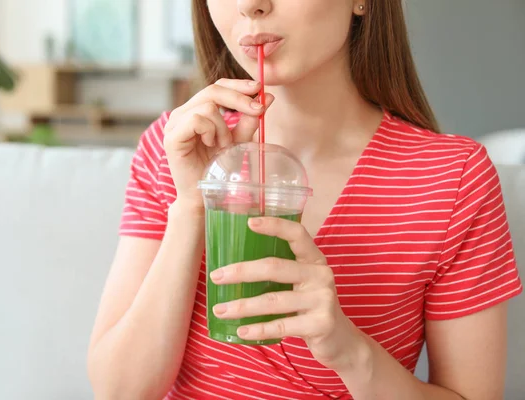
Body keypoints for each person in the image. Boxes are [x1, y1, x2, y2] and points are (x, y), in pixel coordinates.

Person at [87, 1, 522, 399]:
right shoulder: (177, 147)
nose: (250, 5)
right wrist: (193, 205)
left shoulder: (452, 178)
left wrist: (349, 350)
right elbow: (121, 391)